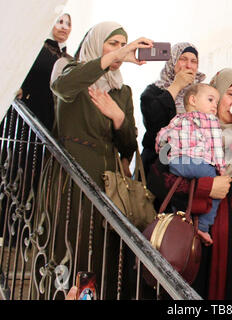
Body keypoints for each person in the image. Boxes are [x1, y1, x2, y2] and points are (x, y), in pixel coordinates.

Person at [147, 68, 232, 299]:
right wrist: (204, 188)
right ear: (215, 94)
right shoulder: (185, 126)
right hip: (191, 239)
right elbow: (157, 176)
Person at [50, 21, 153, 299]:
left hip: (108, 182)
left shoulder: (122, 91)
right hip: (74, 174)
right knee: (71, 247)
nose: (120, 50)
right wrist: (113, 59)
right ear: (97, 45)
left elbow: (129, 146)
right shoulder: (72, 72)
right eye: (113, 43)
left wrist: (118, 117)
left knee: (99, 254)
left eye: (123, 45)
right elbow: (62, 88)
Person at [155, 83, 224, 245]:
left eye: (216, 102)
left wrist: (161, 150)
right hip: (199, 163)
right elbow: (216, 147)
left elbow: (162, 135)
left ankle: (177, 221)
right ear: (193, 99)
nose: (215, 105)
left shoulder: (177, 118)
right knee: (217, 190)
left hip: (176, 163)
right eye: (210, 100)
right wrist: (221, 170)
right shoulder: (211, 120)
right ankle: (204, 226)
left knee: (176, 190)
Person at [140, 42, 206, 177]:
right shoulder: (152, 92)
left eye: (193, 61)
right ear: (172, 61)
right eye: (183, 59)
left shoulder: (202, 93)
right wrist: (176, 86)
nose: (188, 65)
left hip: (191, 167)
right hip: (157, 167)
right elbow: (154, 125)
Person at [18, 13, 73, 130]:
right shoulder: (37, 48)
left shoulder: (68, 59)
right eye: (60, 22)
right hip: (30, 111)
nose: (64, 27)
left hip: (53, 115)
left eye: (68, 24)